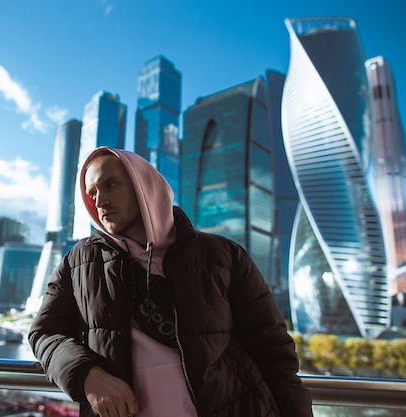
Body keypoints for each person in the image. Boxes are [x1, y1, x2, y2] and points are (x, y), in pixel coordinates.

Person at [29, 146, 313, 417]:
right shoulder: (78, 261)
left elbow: (274, 353)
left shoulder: (222, 255)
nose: (99, 201)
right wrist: (86, 376)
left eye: (111, 185)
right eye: (92, 193)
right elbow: (44, 333)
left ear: (144, 187)